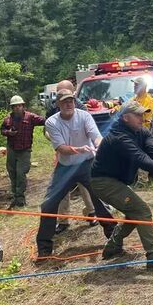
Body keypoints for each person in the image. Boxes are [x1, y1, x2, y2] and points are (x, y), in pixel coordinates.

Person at [91, 100, 153, 269]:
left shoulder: (141, 131)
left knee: (135, 212)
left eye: (143, 113)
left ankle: (112, 247)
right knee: (142, 211)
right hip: (103, 182)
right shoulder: (119, 137)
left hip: (116, 180)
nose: (142, 117)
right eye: (137, 115)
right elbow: (141, 159)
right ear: (125, 118)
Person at [36, 89, 113, 258]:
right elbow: (60, 148)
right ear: (58, 105)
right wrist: (77, 149)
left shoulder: (84, 116)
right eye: (64, 102)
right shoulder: (51, 122)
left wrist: (100, 145)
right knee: (48, 204)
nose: (68, 104)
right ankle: (44, 249)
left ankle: (113, 237)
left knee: (100, 199)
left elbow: (96, 136)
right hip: (65, 168)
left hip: (87, 164)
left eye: (70, 101)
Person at [45, 80, 97, 234]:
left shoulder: (80, 108)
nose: (65, 101)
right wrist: (56, 140)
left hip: (83, 156)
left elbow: (91, 131)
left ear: (73, 93)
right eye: (59, 94)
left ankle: (92, 212)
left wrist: (92, 145)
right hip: (64, 154)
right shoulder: (52, 110)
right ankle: (63, 220)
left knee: (86, 186)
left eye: (66, 94)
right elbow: (46, 130)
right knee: (61, 188)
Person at [1, 95, 46, 208]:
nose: (17, 108)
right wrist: (8, 132)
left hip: (25, 150)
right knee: (12, 172)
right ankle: (16, 195)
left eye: (19, 105)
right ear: (12, 107)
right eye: (15, 106)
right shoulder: (8, 119)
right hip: (12, 149)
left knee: (21, 173)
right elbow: (2, 130)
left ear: (23, 106)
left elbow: (44, 121)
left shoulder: (30, 117)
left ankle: (20, 197)